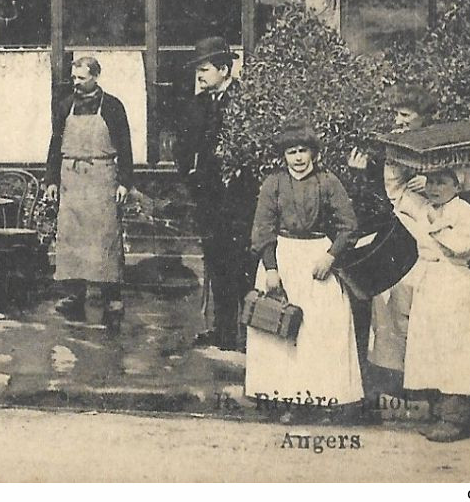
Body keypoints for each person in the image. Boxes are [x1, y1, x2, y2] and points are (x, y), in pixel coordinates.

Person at [246, 120, 362, 420]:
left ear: (314, 153)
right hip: (283, 257)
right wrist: (271, 269)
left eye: (303, 151)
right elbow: (263, 229)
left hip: (317, 256)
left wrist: (330, 256)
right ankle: (286, 399)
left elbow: (349, 226)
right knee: (281, 330)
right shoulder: (274, 183)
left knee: (322, 328)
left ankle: (323, 398)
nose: (298, 158)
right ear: (283, 156)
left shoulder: (328, 181)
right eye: (291, 152)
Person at [375, 161, 470, 441]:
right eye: (431, 182)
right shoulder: (425, 207)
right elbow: (397, 193)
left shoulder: (467, 214)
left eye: (442, 182)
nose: (434, 188)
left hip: (454, 282)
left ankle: (455, 416)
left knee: (455, 348)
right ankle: (438, 411)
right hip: (429, 283)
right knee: (429, 347)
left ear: (458, 186)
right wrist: (394, 159)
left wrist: (433, 226)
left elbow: (460, 245)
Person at [349, 85, 438, 395]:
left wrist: (432, 181)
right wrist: (359, 173)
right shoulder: (386, 145)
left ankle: (422, 379)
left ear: (423, 119)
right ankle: (393, 380)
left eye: (406, 115)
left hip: (429, 226)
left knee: (420, 301)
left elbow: (461, 183)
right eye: (396, 114)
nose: (398, 120)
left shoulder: (437, 144)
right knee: (388, 298)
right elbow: (376, 196)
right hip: (396, 226)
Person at [44, 55, 132, 327]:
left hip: (102, 177)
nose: (76, 82)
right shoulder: (65, 106)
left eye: (82, 78)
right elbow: (54, 145)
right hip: (71, 177)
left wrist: (125, 182)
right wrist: (51, 181)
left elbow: (126, 147)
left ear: (96, 76)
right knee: (72, 238)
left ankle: (111, 295)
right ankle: (74, 294)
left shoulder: (113, 106)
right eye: (74, 78)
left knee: (105, 236)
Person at [175, 35, 247, 349]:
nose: (200, 75)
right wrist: (190, 178)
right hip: (208, 200)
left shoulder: (244, 102)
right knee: (216, 264)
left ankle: (244, 334)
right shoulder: (199, 103)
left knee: (240, 266)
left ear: (224, 69)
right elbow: (182, 146)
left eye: (204, 69)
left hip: (239, 201)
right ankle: (222, 330)